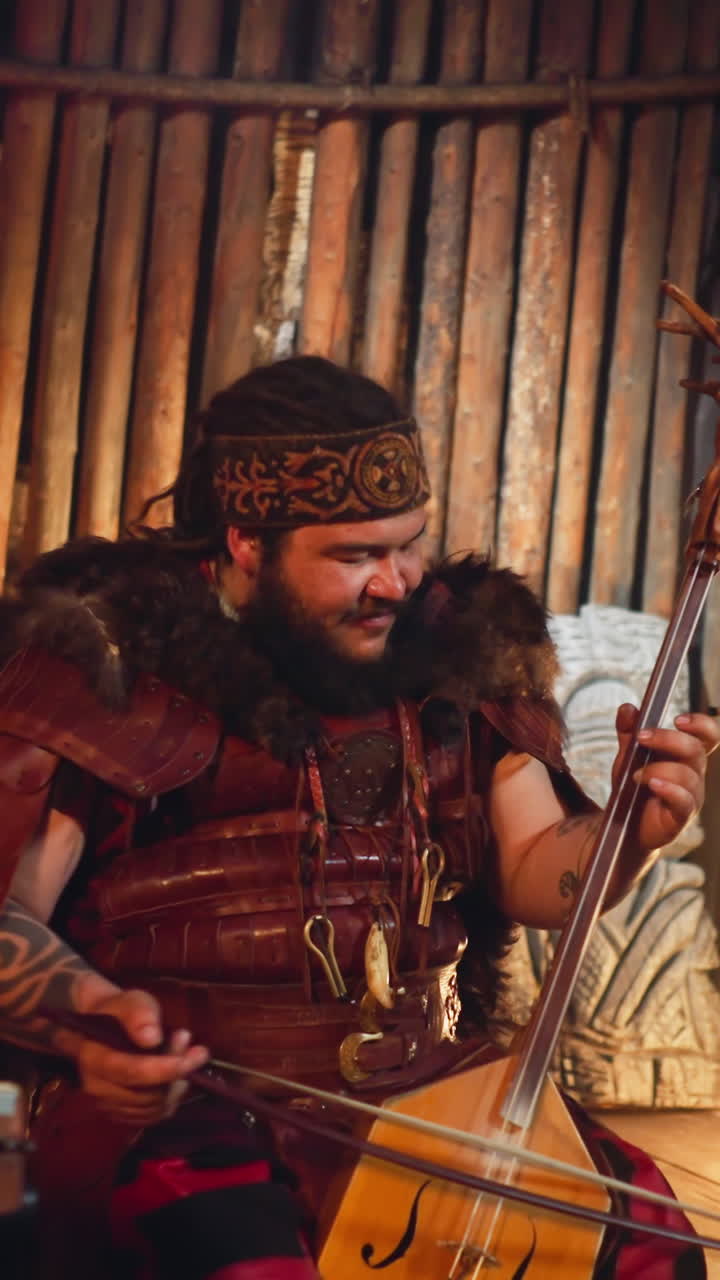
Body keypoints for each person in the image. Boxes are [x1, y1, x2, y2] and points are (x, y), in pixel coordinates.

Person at [0, 356, 715, 1279]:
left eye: (409, 544)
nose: (398, 581)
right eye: (355, 556)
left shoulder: (456, 643)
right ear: (248, 541)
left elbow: (536, 866)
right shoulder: (108, 660)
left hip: (424, 1089)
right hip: (194, 1107)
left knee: (653, 1252)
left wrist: (632, 832)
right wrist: (88, 1014)